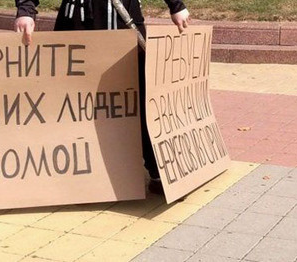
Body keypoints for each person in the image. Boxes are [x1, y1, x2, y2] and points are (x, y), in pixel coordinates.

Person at [14, 0, 190, 194]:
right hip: (76, 24)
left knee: (139, 96)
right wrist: (26, 10)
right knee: (71, 102)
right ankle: (72, 171)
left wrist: (176, 5)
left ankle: (158, 169)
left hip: (123, 21)